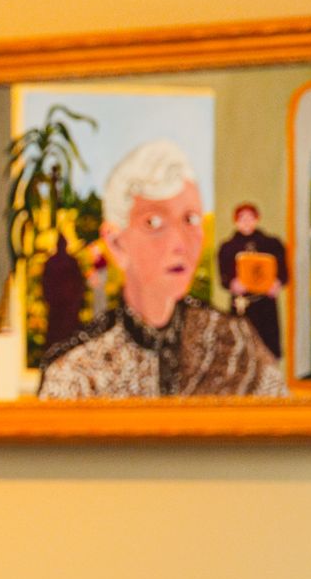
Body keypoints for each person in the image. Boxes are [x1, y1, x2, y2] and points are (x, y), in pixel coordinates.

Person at [37, 140, 287, 399]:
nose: (180, 244)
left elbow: (280, 421)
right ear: (116, 243)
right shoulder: (79, 370)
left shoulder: (234, 341)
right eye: (154, 222)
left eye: (190, 219)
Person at [215, 201, 291, 359]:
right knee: (241, 348)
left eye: (250, 218)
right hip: (242, 303)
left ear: (257, 219)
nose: (246, 222)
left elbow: (284, 273)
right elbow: (223, 277)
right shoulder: (227, 247)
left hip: (266, 304)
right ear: (235, 221)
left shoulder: (272, 244)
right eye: (242, 218)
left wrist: (277, 283)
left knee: (267, 347)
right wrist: (232, 284)